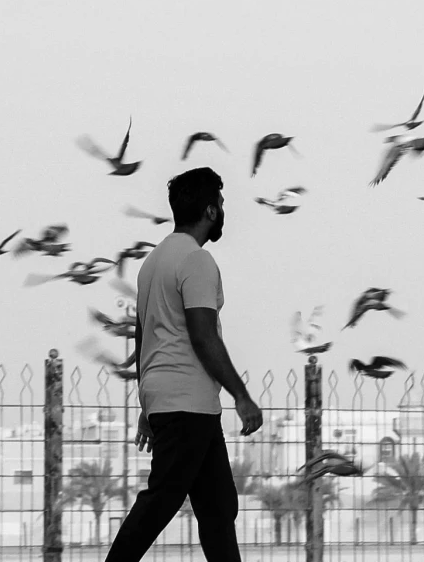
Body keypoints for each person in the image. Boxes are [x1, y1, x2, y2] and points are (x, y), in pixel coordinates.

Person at [103, 167, 263, 562]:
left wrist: (146, 403)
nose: (225, 210)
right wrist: (242, 396)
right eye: (222, 203)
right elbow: (203, 335)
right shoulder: (197, 261)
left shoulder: (153, 262)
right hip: (186, 401)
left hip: (176, 399)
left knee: (218, 507)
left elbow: (144, 337)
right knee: (162, 500)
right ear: (210, 211)